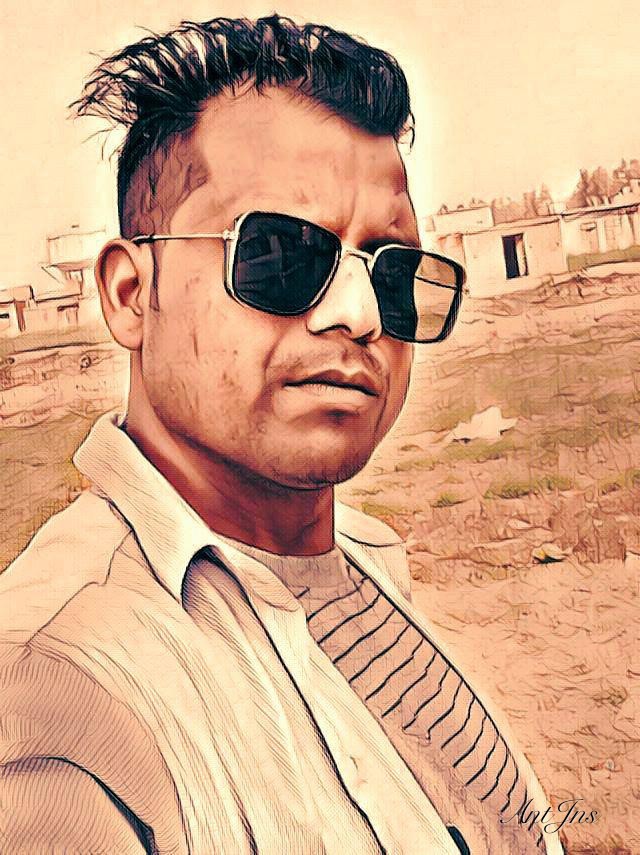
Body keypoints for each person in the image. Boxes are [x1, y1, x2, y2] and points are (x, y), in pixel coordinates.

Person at [0, 15, 562, 855]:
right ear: (129, 294)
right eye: (279, 255)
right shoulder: (55, 692)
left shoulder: (366, 561)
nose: (360, 315)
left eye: (395, 273)